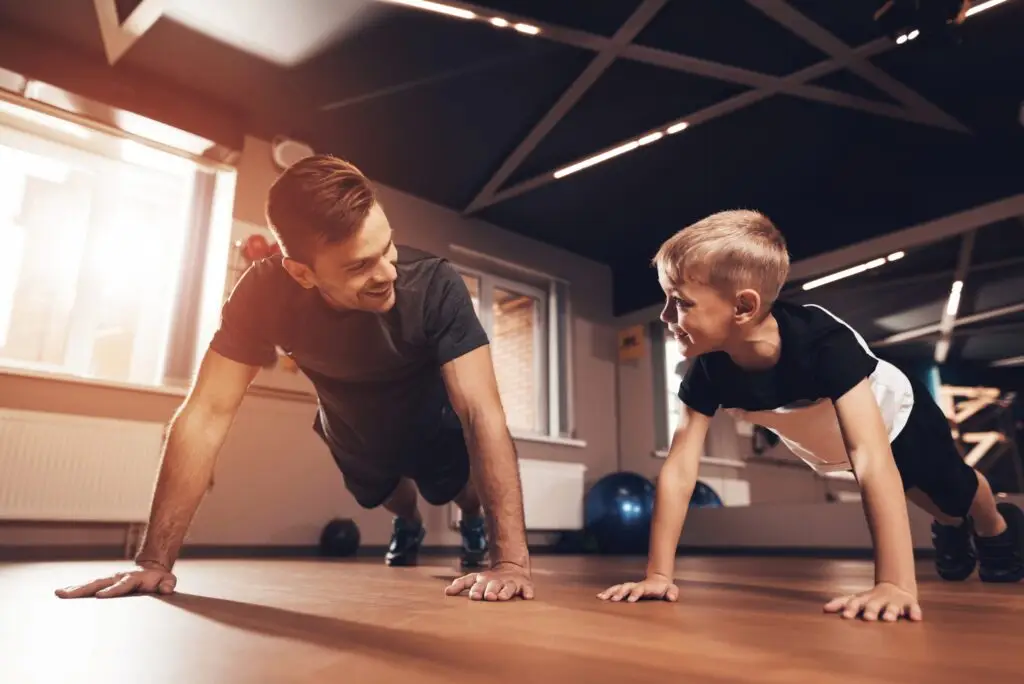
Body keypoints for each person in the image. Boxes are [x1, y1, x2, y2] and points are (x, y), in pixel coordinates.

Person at [55, 155, 534, 603]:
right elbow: (205, 415)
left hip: (431, 419)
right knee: (394, 500)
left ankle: (470, 522)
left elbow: (481, 412)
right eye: (359, 265)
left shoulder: (435, 285)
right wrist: (153, 561)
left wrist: (510, 561)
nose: (388, 272)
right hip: (351, 427)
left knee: (459, 487)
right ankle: (410, 527)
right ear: (302, 273)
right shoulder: (264, 293)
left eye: (387, 246)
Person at [598, 210, 1024, 621]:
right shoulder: (709, 372)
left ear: (743, 308)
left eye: (681, 302)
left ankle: (994, 525)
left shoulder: (823, 342)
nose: (665, 316)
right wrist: (658, 574)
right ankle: (950, 523)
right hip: (833, 447)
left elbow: (871, 457)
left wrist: (895, 583)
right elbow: (679, 467)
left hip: (899, 421)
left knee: (952, 489)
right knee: (933, 503)